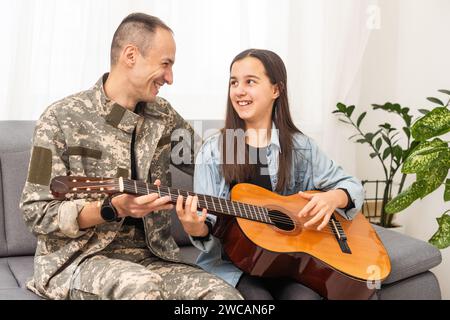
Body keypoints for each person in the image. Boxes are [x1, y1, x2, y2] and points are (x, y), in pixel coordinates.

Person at [19, 12, 242, 300]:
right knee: (140, 287)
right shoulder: (58, 119)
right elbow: (35, 212)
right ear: (131, 55)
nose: (170, 78)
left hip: (156, 259)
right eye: (166, 64)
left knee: (222, 295)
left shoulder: (164, 116)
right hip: (80, 261)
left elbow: (212, 163)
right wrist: (111, 209)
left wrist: (257, 123)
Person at [175, 49, 364, 300]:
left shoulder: (300, 147)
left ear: (276, 90)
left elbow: (351, 185)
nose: (239, 90)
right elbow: (208, 226)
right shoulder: (213, 151)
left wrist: (334, 198)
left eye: (250, 81)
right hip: (232, 265)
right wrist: (196, 228)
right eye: (233, 82)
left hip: (288, 265)